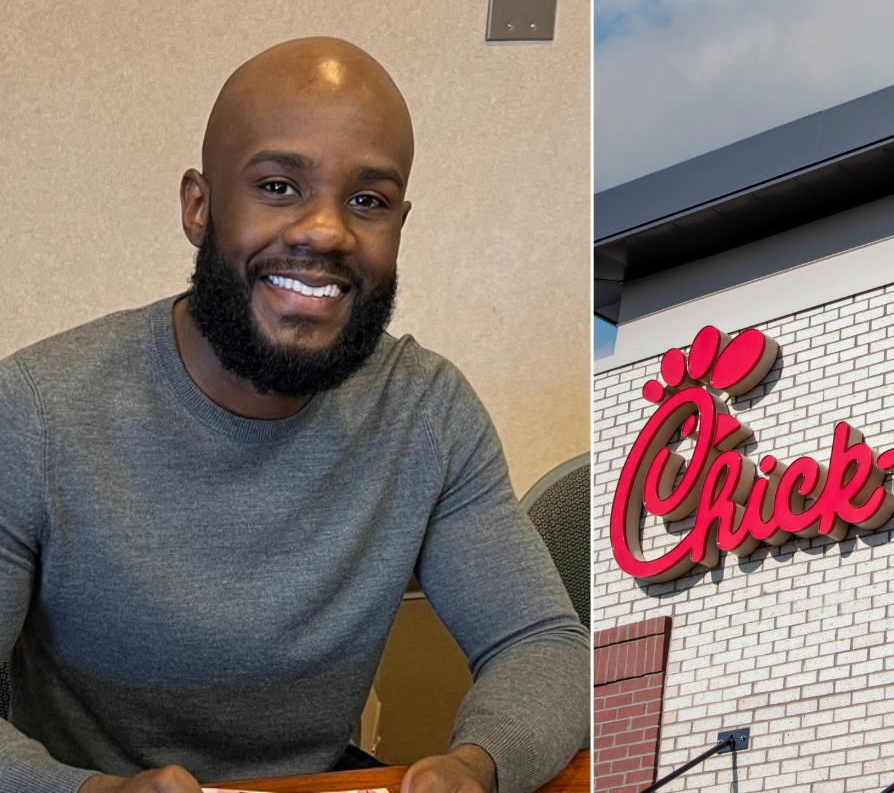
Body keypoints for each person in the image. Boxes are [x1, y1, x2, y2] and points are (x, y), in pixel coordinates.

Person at [0, 38, 589, 793]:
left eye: (367, 201)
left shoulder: (428, 411)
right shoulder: (36, 411)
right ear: (199, 206)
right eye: (278, 186)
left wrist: (475, 770)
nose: (325, 232)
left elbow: (539, 641)